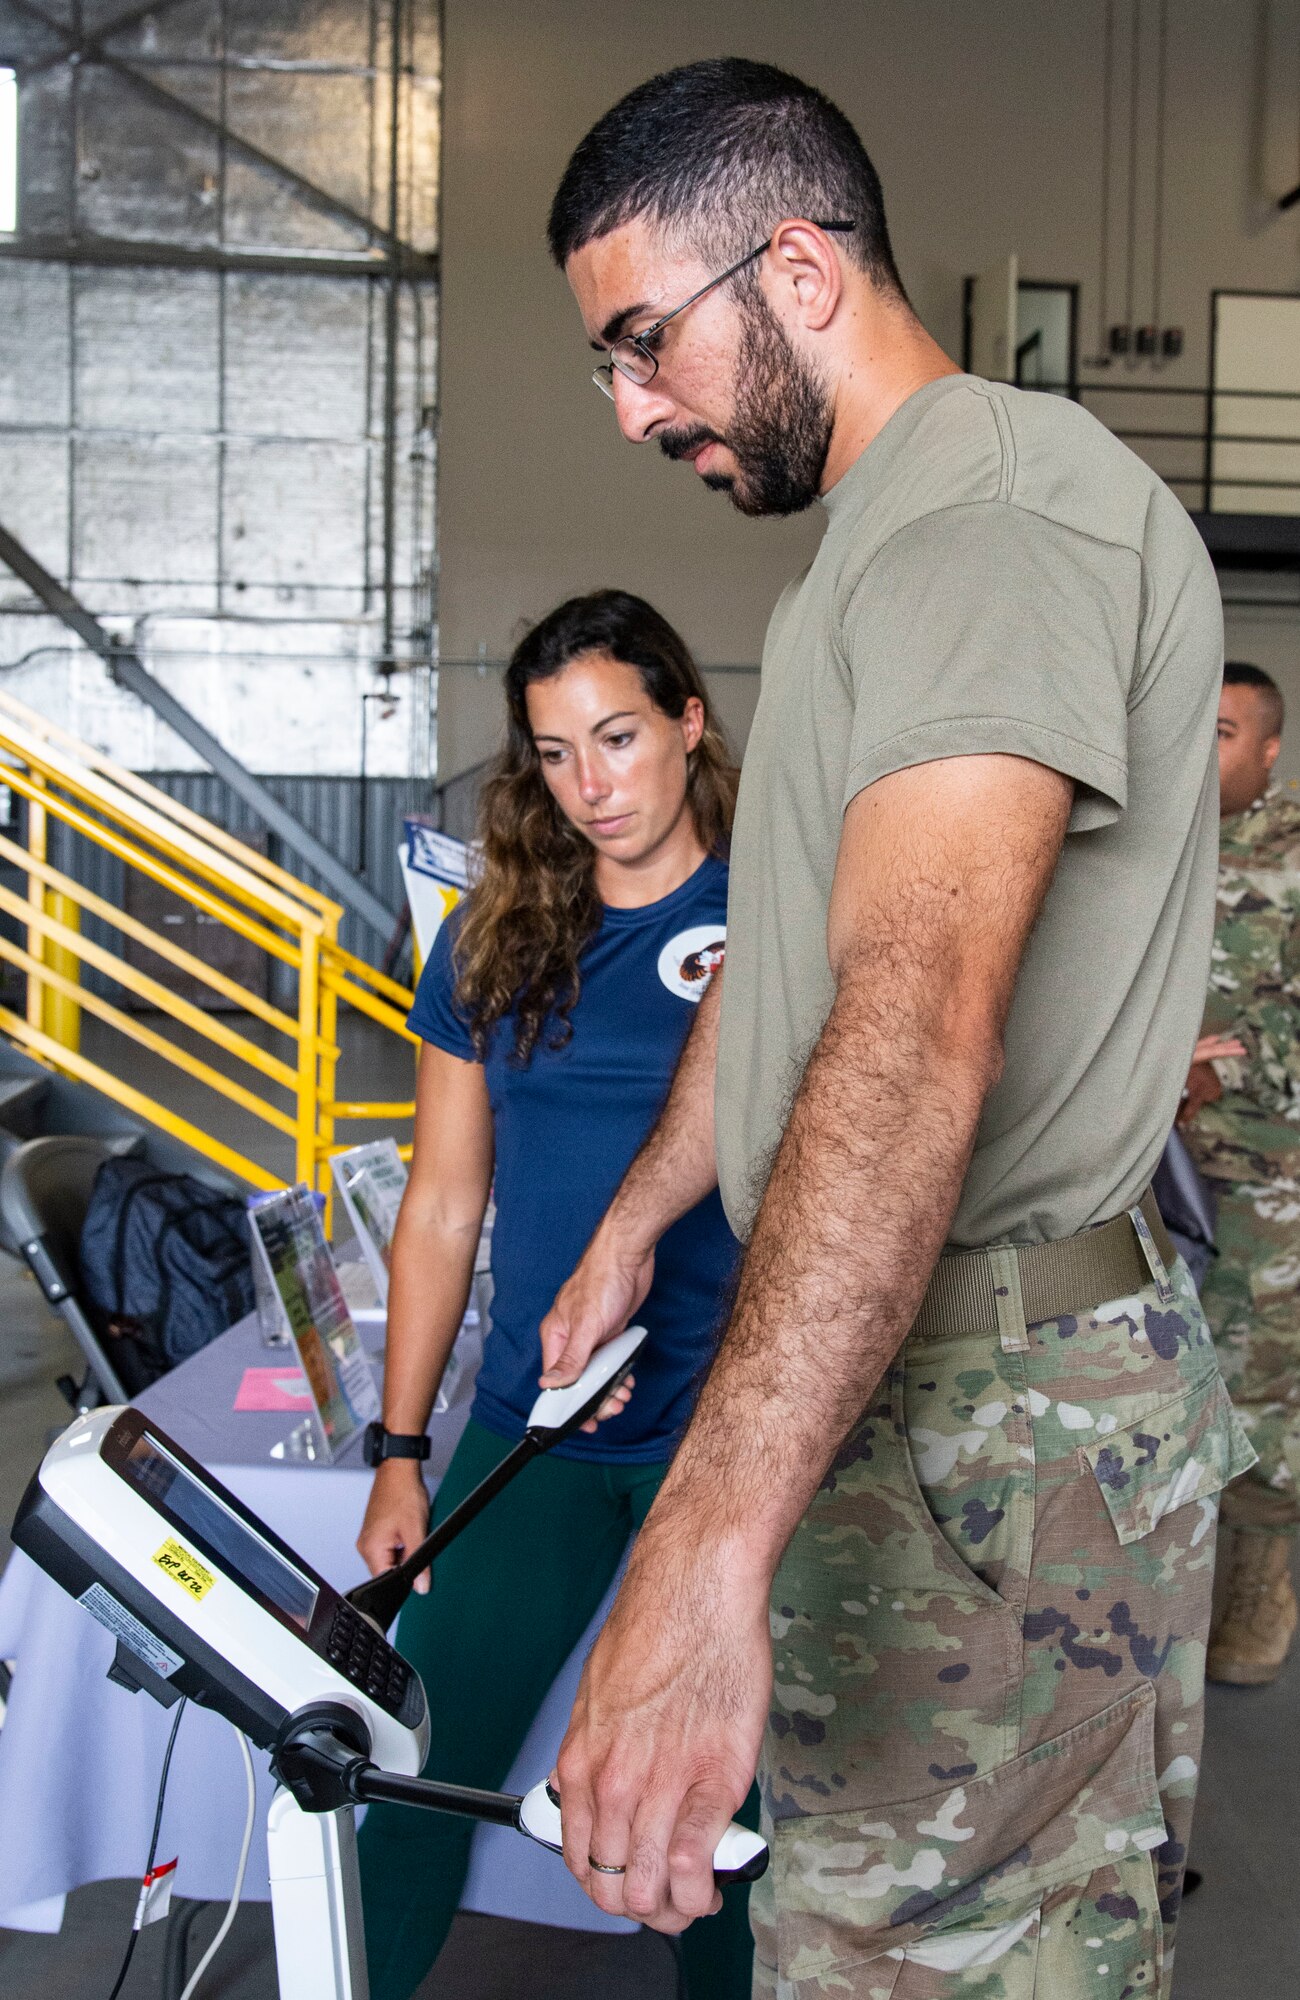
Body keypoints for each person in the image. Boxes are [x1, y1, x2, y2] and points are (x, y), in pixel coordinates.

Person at [532, 58, 1255, 2000]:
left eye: (642, 344)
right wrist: (632, 1219)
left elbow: (918, 1018)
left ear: (792, 267)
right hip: (915, 1382)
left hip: (989, 1406)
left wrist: (693, 1551)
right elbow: (796, 978)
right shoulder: (886, 538)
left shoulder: (989, 520)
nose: (629, 409)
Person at [353, 590, 757, 1999]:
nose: (593, 785)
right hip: (532, 1428)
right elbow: (446, 1205)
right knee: (414, 1756)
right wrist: (403, 1452)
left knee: (731, 1813)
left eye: (621, 737)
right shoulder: (491, 939)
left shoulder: (781, 912)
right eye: (555, 752)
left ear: (689, 722)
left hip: (724, 1434)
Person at [1179, 661, 1300, 1684]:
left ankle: (1260, 1575)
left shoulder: (1294, 855)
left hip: (1265, 1172)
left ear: (1266, 750)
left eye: (1220, 730)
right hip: (1146, 1165)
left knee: (1257, 1391)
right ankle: (1166, 1590)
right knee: (1162, 1382)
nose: (1196, 743)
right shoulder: (1146, 845)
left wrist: (1228, 1068)